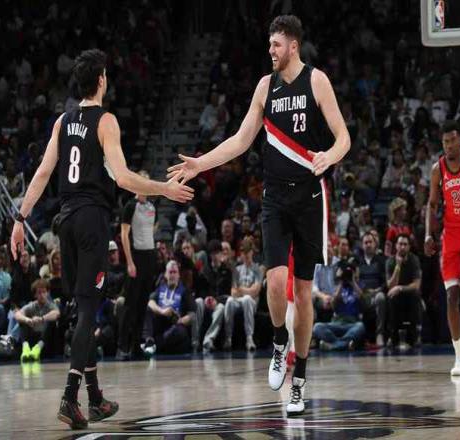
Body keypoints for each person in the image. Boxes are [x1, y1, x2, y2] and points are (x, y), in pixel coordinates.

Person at [167, 15, 350, 415]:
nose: (271, 51)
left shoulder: (316, 81)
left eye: (276, 45)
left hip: (309, 197)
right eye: (269, 44)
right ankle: (279, 342)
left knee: (304, 292)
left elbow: (344, 138)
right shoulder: (265, 87)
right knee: (276, 281)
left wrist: (329, 156)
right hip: (274, 199)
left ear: (294, 46)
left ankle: (299, 381)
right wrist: (200, 163)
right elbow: (240, 140)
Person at [10, 49, 194, 430]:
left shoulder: (63, 122)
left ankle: (94, 398)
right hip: (92, 220)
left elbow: (43, 173)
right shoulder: (106, 121)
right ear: (101, 81)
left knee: (82, 309)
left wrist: (19, 218)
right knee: (88, 312)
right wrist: (164, 188)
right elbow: (123, 178)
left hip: (65, 221)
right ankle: (70, 397)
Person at [425, 120, 460, 376]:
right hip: (451, 237)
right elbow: (432, 205)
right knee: (451, 297)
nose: (449, 145)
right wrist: (428, 234)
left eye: (453, 140)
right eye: (445, 142)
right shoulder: (438, 169)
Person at [117, 170, 159, 360]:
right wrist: (130, 262)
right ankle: (122, 347)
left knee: (142, 304)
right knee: (130, 305)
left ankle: (136, 346)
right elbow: (124, 235)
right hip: (136, 258)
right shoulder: (130, 206)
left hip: (150, 257)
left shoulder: (152, 206)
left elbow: (151, 230)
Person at [143, 260, 196, 354]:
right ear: (165, 275)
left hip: (175, 325)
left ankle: (154, 346)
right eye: (170, 272)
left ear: (178, 275)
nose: (172, 275)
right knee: (147, 309)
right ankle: (149, 340)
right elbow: (150, 302)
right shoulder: (160, 289)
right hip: (161, 322)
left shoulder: (185, 291)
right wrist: (162, 311)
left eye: (175, 272)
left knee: (180, 331)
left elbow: (192, 315)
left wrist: (180, 320)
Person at [224, 237, 262, 351]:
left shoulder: (258, 269)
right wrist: (246, 290)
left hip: (252, 302)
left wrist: (241, 289)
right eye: (243, 252)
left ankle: (249, 339)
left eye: (247, 251)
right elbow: (233, 292)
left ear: (252, 252)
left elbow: (255, 291)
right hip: (239, 300)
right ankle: (228, 338)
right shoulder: (237, 270)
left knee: (247, 299)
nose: (245, 255)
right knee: (229, 301)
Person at [386, 234, 422, 348]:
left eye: (405, 244)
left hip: (408, 293)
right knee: (392, 297)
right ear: (396, 246)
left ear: (409, 247)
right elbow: (390, 286)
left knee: (415, 295)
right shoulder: (390, 261)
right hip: (395, 295)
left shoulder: (414, 260)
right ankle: (393, 338)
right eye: (400, 244)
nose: (402, 247)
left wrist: (400, 288)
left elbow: (416, 285)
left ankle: (413, 338)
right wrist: (398, 266)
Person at [15, 278, 60, 362]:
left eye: (44, 292)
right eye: (39, 293)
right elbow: (17, 314)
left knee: (51, 322)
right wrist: (27, 320)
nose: (42, 295)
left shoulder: (51, 305)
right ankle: (25, 348)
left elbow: (56, 313)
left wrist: (42, 319)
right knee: (22, 322)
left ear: (47, 293)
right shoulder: (32, 305)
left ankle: (38, 348)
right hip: (33, 338)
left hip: (45, 343)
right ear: (35, 295)